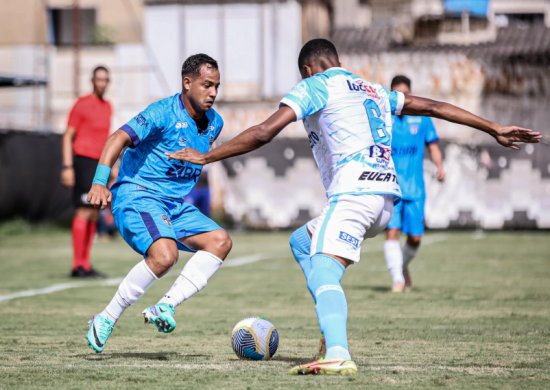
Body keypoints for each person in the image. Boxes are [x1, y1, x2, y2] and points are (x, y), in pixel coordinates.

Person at [169, 39, 541, 375]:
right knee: (302, 243)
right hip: (384, 200)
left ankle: (337, 352)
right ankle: (329, 333)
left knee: (324, 268)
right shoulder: (372, 88)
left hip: (354, 194)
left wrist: (207, 156)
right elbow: (432, 106)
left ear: (307, 70)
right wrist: (492, 127)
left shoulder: (314, 85)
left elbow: (265, 132)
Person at [84, 54, 232, 353]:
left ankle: (165, 306)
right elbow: (118, 138)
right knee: (165, 255)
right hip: (138, 195)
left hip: (173, 205)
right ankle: (106, 317)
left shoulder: (215, 123)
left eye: (216, 86)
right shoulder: (162, 112)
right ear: (187, 83)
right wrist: (100, 180)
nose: (213, 93)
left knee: (220, 241)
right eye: (207, 85)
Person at [384, 75, 445, 292]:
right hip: (390, 188)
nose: (403, 97)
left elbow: (433, 145)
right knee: (392, 232)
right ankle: (397, 281)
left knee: (416, 238)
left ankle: (402, 267)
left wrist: (439, 166)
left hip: (415, 188)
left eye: (406, 93)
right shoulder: (383, 118)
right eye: (398, 93)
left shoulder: (422, 118)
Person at [61, 66, 111, 278]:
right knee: (83, 210)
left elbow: (107, 140)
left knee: (93, 212)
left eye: (105, 80)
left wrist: (112, 166)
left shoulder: (108, 106)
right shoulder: (82, 104)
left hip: (99, 165)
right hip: (82, 161)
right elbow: (67, 136)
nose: (101, 83)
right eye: (98, 79)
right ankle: (76, 265)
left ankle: (86, 265)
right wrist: (67, 166)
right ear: (92, 81)